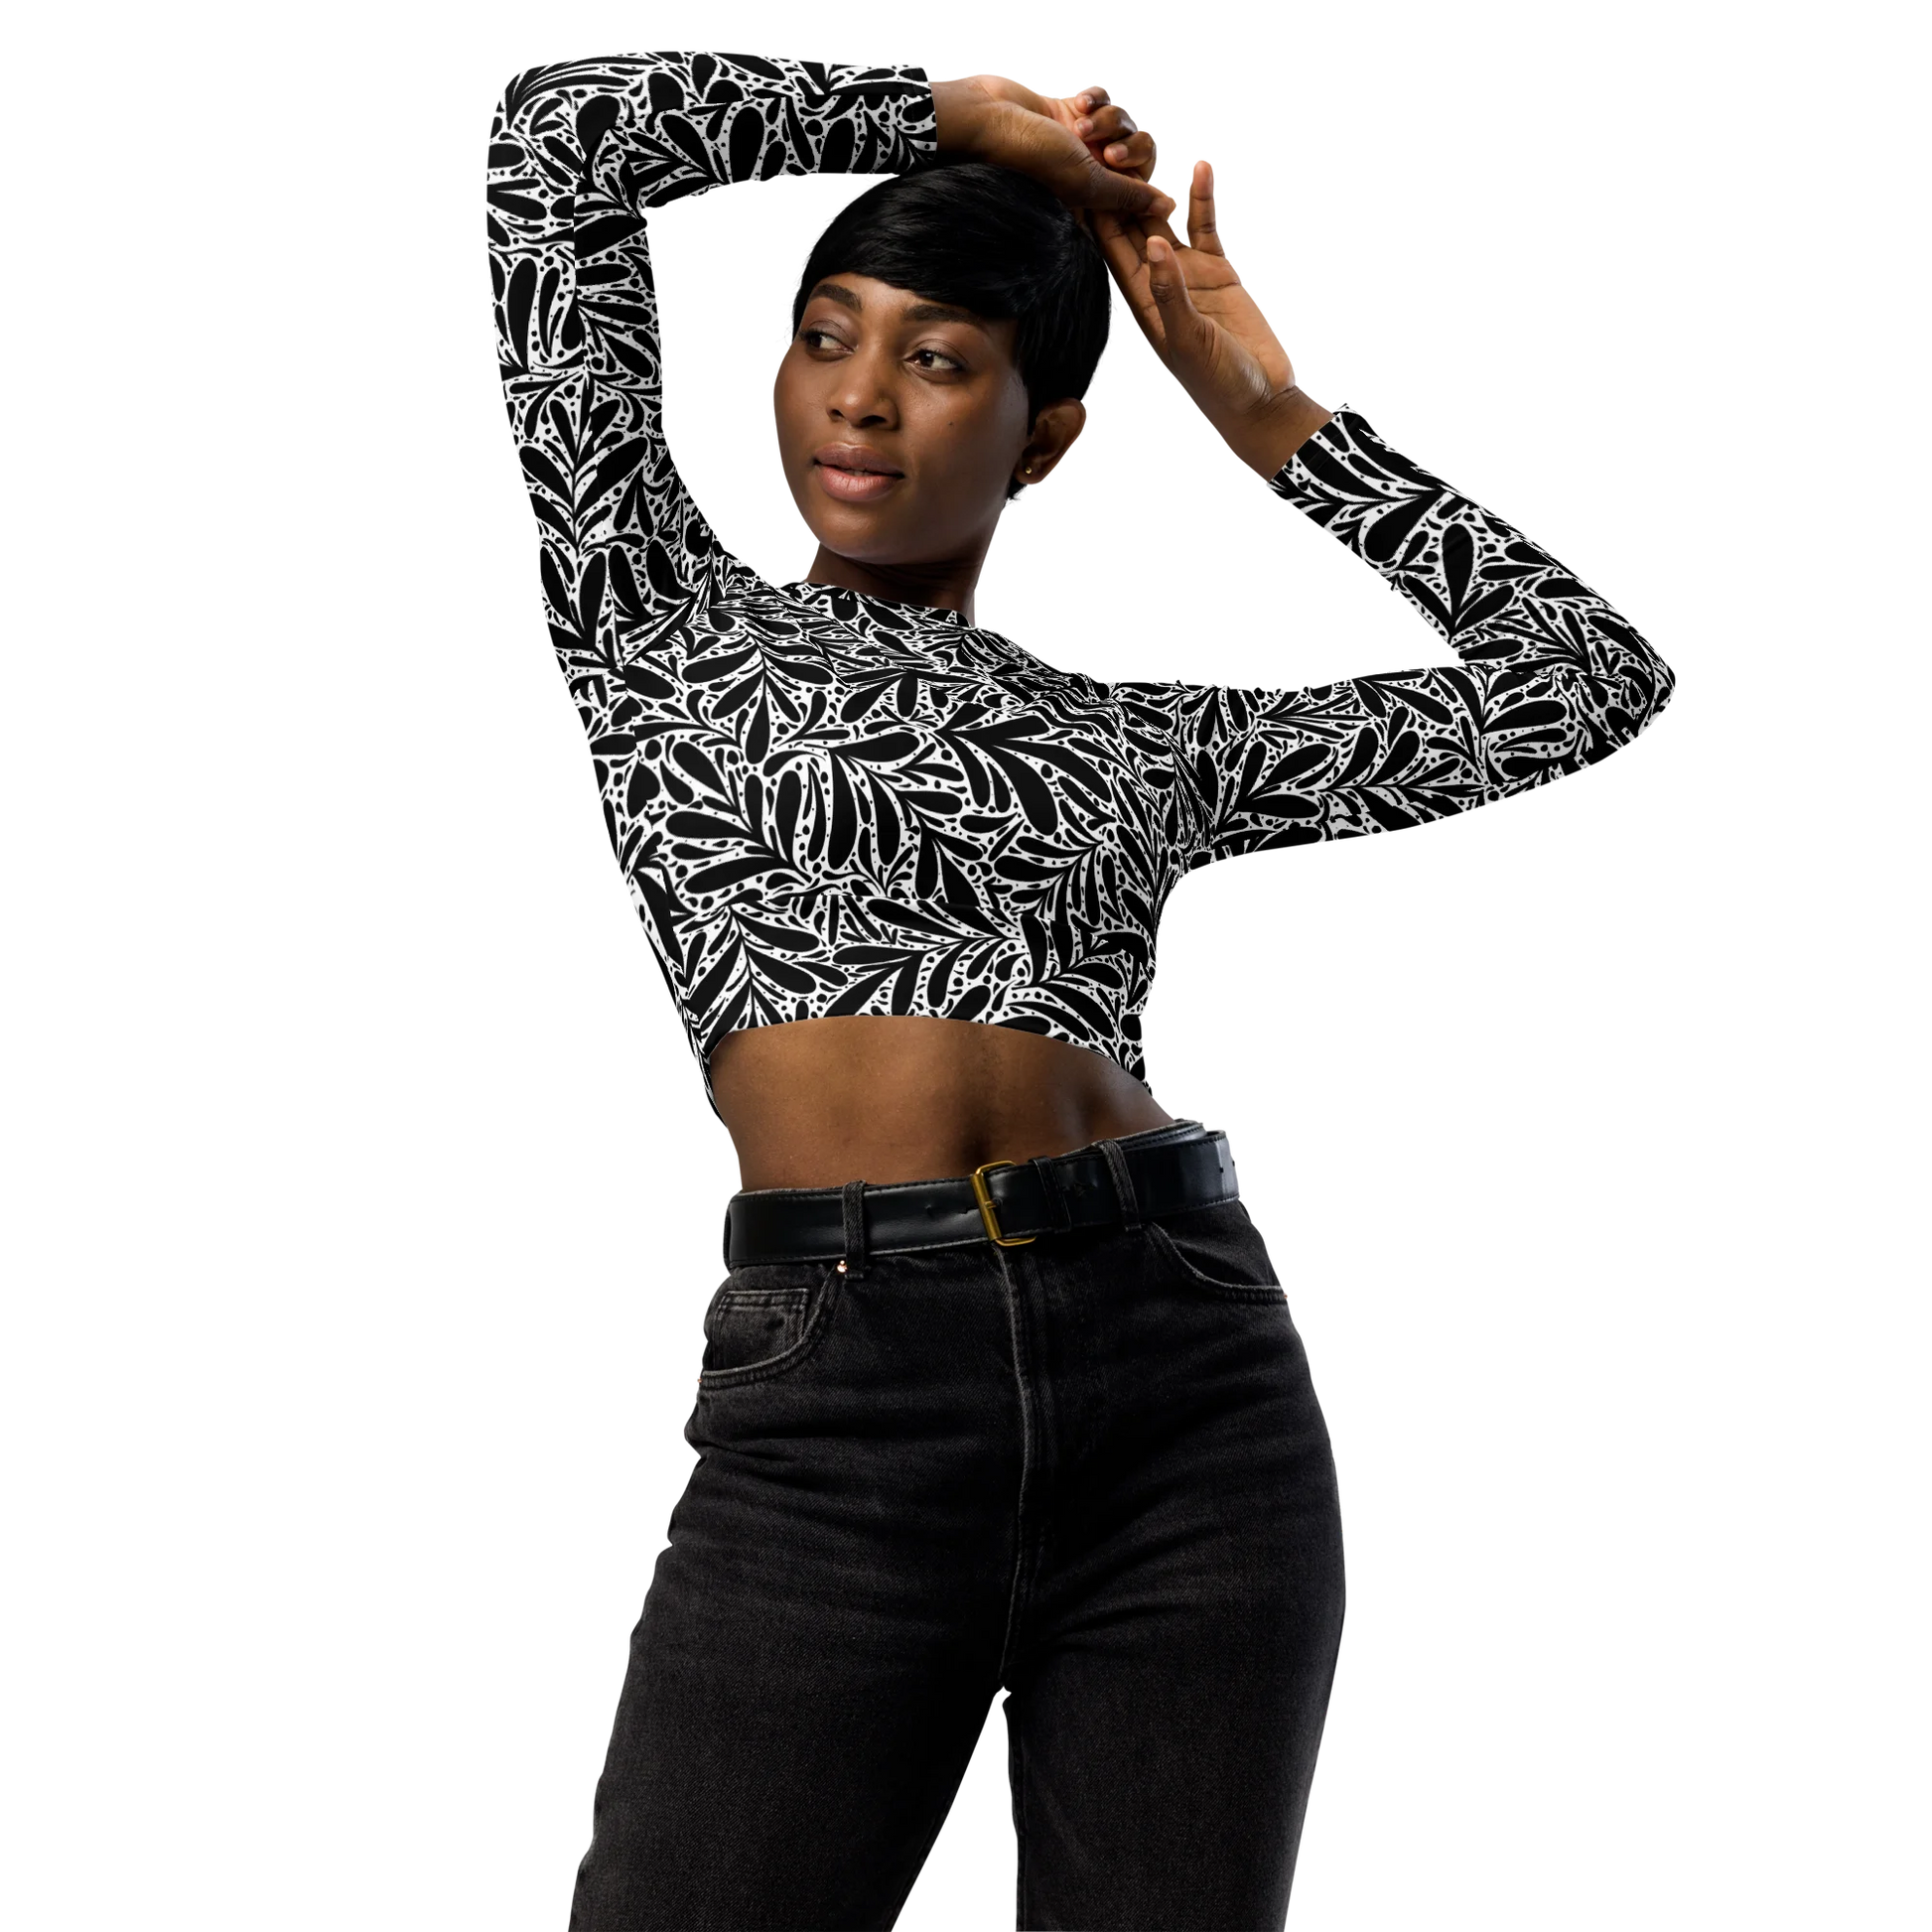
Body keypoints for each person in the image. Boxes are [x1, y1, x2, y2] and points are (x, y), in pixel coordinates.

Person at [484, 52, 1676, 1931]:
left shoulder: (1139, 741)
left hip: (1186, 1369)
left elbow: (1586, 679)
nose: (860, 395)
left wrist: (1268, 413)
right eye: (825, 335)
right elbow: (560, 138)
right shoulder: (653, 622)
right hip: (838, 1391)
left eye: (941, 358)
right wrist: (941, 113)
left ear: (1042, 441)